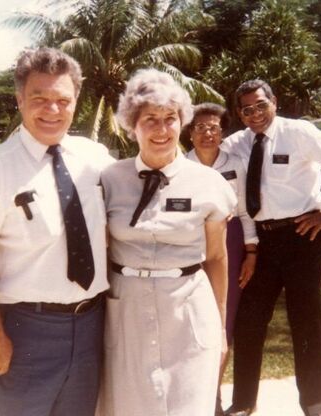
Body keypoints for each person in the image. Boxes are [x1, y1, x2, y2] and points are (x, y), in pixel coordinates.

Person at [0, 47, 114, 416]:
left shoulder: (95, 159)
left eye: (62, 99)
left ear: (76, 101)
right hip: (25, 330)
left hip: (91, 325)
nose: (52, 110)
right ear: (20, 99)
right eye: (40, 98)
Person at [96, 69, 237, 416]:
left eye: (169, 119)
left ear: (182, 122)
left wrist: (220, 328)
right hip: (125, 308)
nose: (161, 130)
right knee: (128, 405)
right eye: (150, 120)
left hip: (188, 306)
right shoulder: (109, 179)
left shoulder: (208, 183)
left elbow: (217, 258)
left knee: (188, 405)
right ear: (133, 126)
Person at [221, 80, 321, 416]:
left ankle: (314, 407)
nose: (254, 114)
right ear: (240, 112)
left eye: (260, 105)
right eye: (246, 109)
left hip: (304, 237)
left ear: (274, 102)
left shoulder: (298, 132)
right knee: (249, 321)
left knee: (305, 323)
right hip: (262, 243)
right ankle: (243, 404)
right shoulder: (236, 143)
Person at [184, 103, 258, 416]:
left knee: (221, 322)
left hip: (230, 243)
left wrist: (251, 251)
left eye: (213, 127)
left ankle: (211, 399)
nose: (207, 133)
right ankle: (191, 398)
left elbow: (243, 212)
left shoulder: (235, 163)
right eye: (200, 127)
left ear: (222, 133)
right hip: (188, 244)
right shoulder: (178, 164)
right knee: (189, 324)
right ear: (190, 133)